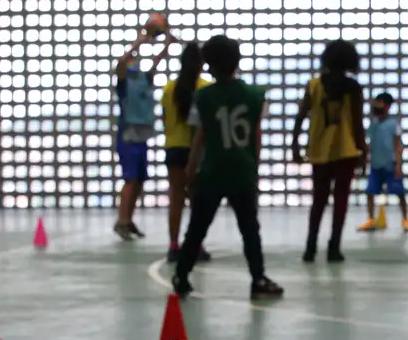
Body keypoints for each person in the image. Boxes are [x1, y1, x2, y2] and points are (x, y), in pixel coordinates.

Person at [173, 35, 283, 300]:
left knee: (197, 227)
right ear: (237, 61)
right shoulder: (255, 96)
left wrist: (190, 170)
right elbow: (256, 135)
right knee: (250, 230)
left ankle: (181, 275)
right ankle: (258, 279)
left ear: (209, 64)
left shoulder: (203, 97)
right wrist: (253, 166)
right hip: (242, 171)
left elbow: (200, 136)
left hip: (212, 172)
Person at [291, 40, 368, 263]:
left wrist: (294, 144)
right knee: (341, 201)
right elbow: (357, 124)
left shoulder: (314, 85)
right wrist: (363, 151)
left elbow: (301, 116)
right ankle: (334, 247)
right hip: (345, 150)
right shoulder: (353, 89)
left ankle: (310, 246)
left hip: (319, 150)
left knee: (319, 200)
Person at [113, 17, 173, 241]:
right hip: (128, 134)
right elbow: (121, 62)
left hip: (142, 135)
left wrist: (167, 42)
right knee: (130, 179)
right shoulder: (124, 83)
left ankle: (128, 220)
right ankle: (121, 221)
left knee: (139, 179)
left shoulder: (144, 79)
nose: (134, 62)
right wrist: (139, 42)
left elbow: (158, 60)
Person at [160, 41, 210, 263]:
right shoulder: (205, 88)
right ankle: (196, 246)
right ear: (201, 63)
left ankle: (173, 246)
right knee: (197, 202)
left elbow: (164, 119)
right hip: (195, 152)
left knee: (176, 200)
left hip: (173, 149)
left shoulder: (169, 88)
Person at [358, 92, 408, 233]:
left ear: (387, 106)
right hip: (376, 165)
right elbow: (368, 144)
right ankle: (370, 219)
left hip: (391, 165)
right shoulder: (373, 125)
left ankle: (405, 219)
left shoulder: (393, 124)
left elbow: (398, 144)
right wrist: (364, 162)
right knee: (370, 192)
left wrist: (399, 164)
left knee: (400, 193)